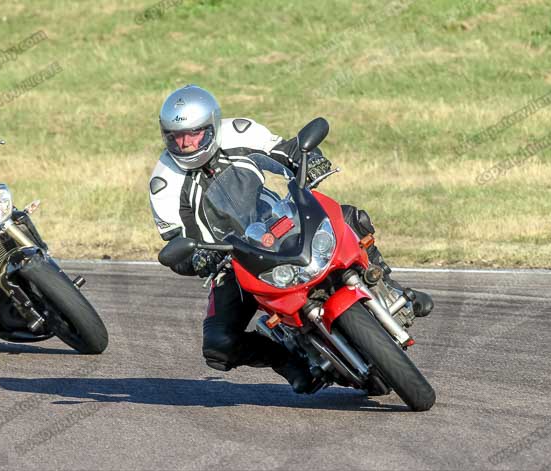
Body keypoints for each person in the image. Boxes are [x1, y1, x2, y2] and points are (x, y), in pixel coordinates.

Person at [149, 85, 432, 392]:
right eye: (176, 137)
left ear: (212, 126)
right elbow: (175, 245)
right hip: (231, 258)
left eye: (194, 134)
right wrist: (197, 259)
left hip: (282, 221)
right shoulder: (164, 182)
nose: (186, 144)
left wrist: (311, 162)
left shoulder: (239, 132)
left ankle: (392, 288)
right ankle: (289, 362)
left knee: (349, 217)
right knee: (219, 344)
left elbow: (288, 151)